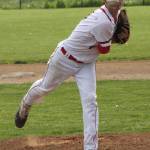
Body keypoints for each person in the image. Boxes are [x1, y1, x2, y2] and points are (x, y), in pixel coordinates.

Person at [15, 0, 126, 149]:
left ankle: (90, 147)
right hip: (64, 59)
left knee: (90, 101)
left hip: (86, 63)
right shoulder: (103, 22)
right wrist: (116, 38)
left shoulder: (115, 14)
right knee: (44, 87)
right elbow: (104, 50)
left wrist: (113, 35)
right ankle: (25, 105)